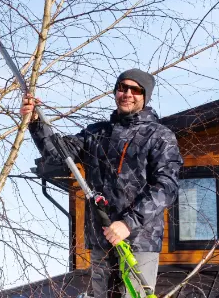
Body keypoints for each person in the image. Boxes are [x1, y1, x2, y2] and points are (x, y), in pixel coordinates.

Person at [21, 69, 183, 298]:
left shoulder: (159, 136)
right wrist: (37, 124)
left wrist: (128, 223)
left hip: (138, 241)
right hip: (101, 238)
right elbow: (58, 155)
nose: (127, 93)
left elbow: (166, 186)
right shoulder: (95, 134)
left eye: (135, 89)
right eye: (122, 88)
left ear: (145, 96)